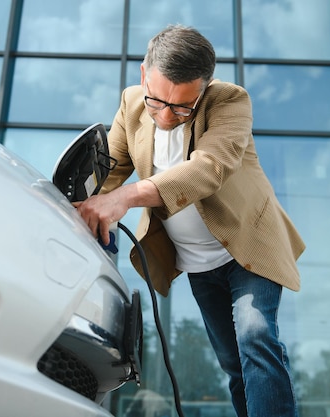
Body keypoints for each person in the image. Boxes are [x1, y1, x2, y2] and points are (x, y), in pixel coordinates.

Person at [74, 24, 305, 417]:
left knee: (256, 336)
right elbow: (105, 175)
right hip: (198, 263)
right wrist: (77, 203)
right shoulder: (131, 104)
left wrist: (125, 198)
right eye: (156, 102)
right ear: (144, 74)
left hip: (248, 247)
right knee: (234, 364)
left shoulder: (230, 101)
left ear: (204, 88)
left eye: (181, 107)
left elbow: (208, 169)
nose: (165, 116)